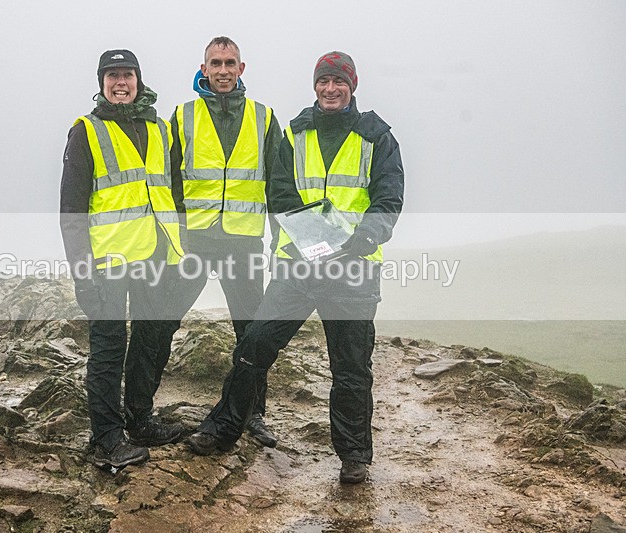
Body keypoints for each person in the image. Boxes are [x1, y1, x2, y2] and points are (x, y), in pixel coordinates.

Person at [185, 51, 405, 484]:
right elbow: (280, 193)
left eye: (338, 82)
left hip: (353, 269)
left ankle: (354, 456)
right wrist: (317, 242)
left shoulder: (378, 137)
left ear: (352, 86)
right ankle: (223, 428)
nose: (330, 89)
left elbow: (388, 198)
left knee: (351, 368)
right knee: (254, 346)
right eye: (324, 81)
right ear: (315, 85)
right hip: (298, 266)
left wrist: (362, 240)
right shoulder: (296, 133)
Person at [132, 36, 283, 448]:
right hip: (193, 242)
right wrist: (172, 234)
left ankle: (253, 414)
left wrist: (281, 244)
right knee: (161, 323)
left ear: (241, 68)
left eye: (229, 63)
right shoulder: (183, 116)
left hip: (243, 242)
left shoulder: (264, 118)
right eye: (215, 63)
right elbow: (168, 180)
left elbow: (279, 185)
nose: (222, 70)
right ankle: (141, 416)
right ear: (204, 68)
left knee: (251, 334)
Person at [60, 49, 186, 470]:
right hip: (107, 262)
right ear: (101, 83)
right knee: (109, 349)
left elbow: (174, 195)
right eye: (112, 75)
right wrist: (82, 274)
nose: (120, 83)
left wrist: (178, 251)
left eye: (127, 75)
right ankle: (107, 438)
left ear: (138, 80)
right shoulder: (86, 131)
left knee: (150, 341)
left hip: (155, 256)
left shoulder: (161, 129)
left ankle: (140, 420)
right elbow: (72, 211)